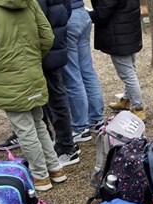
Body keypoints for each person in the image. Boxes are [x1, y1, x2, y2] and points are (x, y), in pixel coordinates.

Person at [0, 0, 66, 192]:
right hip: (32, 70)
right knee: (38, 123)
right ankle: (55, 168)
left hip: (6, 74)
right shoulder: (29, 1)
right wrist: (33, 58)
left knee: (25, 128)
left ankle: (40, 175)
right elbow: (47, 36)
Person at [0, 0, 80, 168]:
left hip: (42, 46)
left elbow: (31, 19)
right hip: (51, 42)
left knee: (53, 97)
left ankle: (65, 147)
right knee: (51, 96)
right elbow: (65, 10)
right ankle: (57, 144)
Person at [89, 0, 147, 122]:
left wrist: (85, 15)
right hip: (129, 33)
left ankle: (138, 108)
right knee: (130, 69)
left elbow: (101, 14)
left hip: (120, 37)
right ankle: (126, 99)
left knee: (127, 74)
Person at [62, 0, 104, 142]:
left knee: (72, 75)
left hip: (68, 17)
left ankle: (80, 127)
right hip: (82, 13)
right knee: (87, 70)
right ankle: (97, 119)